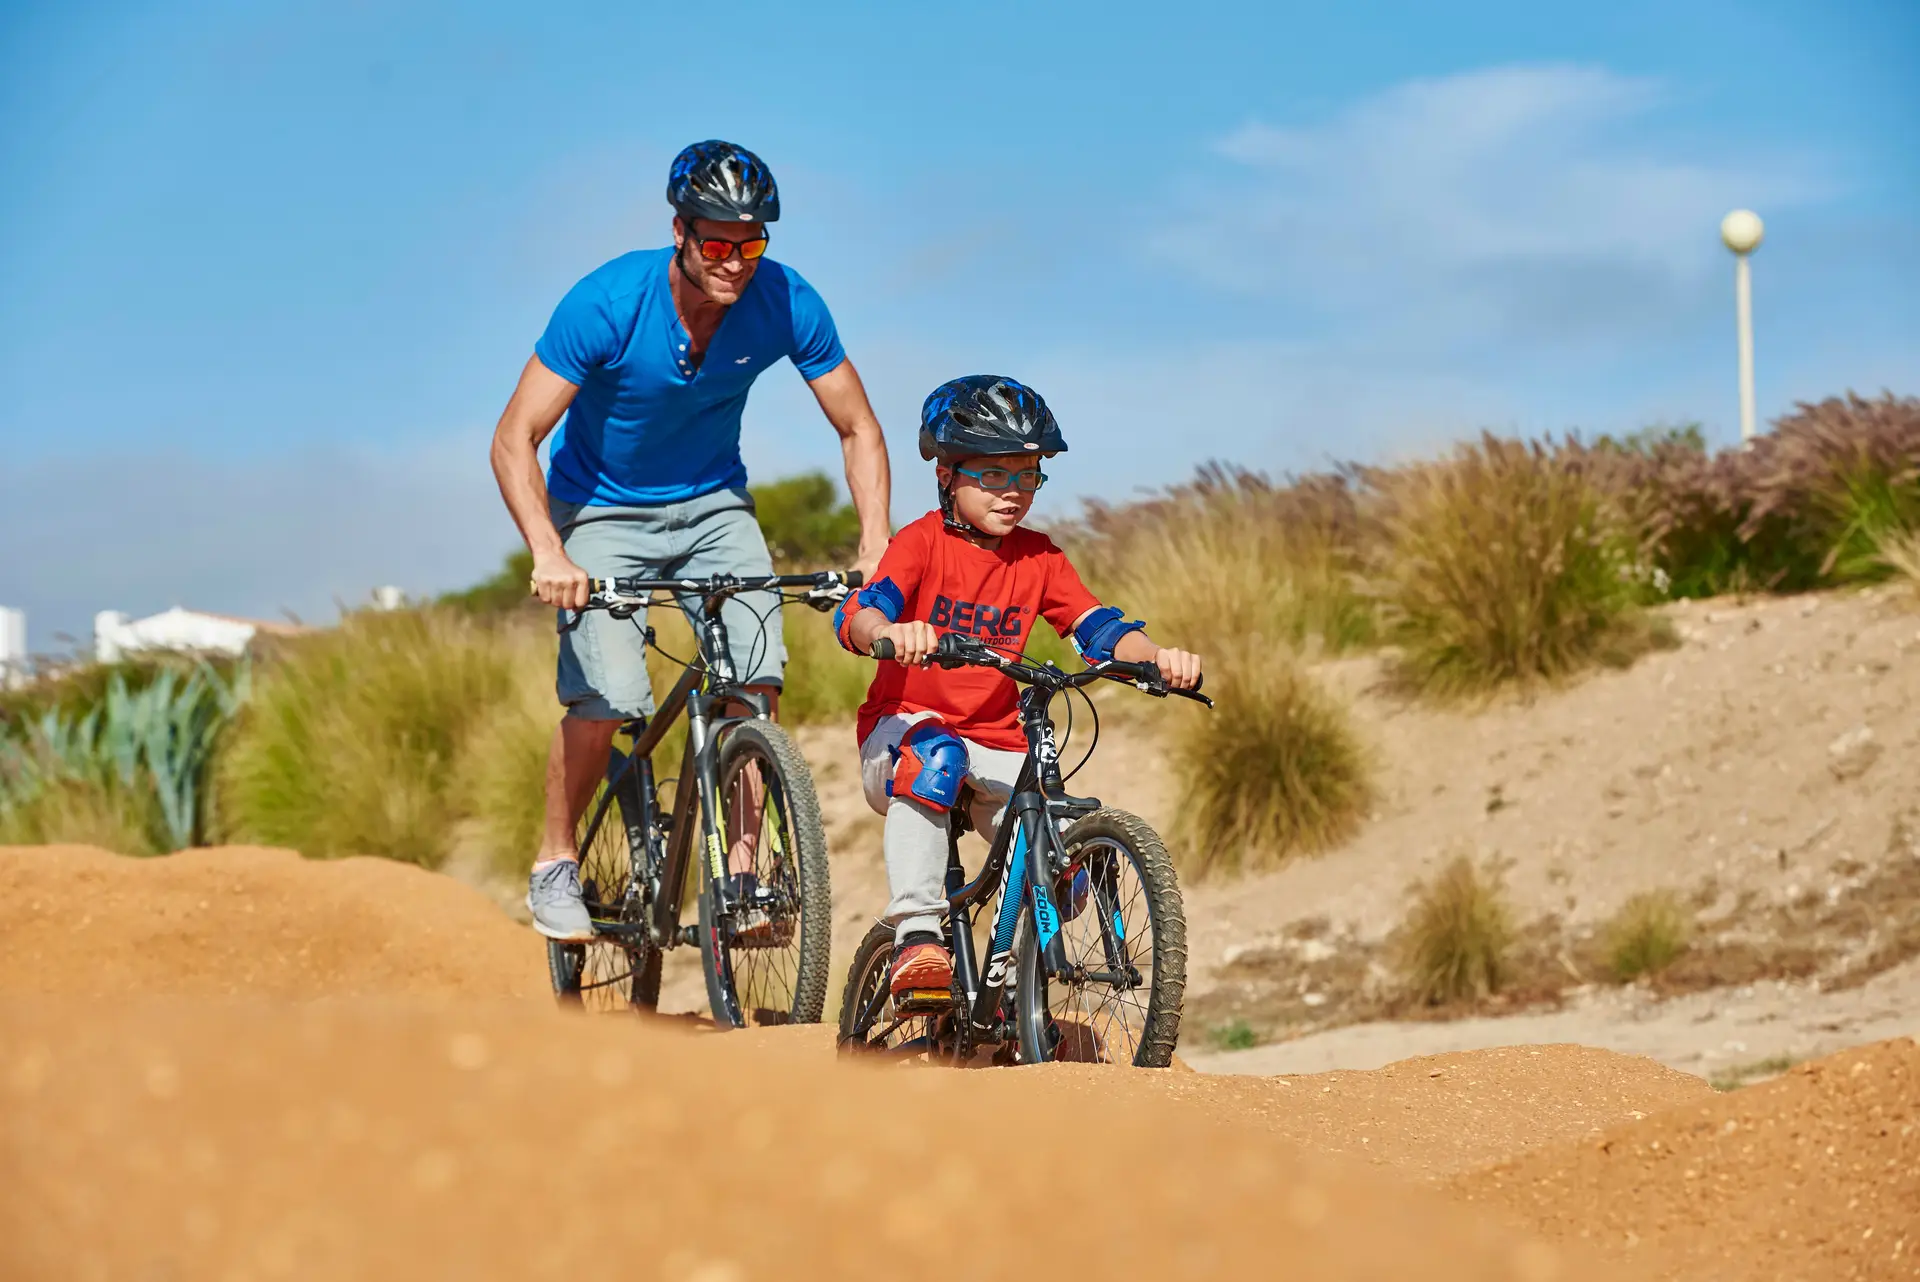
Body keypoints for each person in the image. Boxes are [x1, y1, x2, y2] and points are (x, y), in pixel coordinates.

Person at [490, 139, 892, 941]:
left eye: (752, 244)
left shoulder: (786, 300)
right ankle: (555, 862)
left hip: (714, 505)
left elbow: (859, 427)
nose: (735, 262)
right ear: (679, 229)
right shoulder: (606, 303)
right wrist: (549, 551)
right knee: (606, 696)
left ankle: (743, 879)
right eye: (717, 242)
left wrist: (875, 545)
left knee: (756, 677)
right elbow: (514, 438)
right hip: (600, 511)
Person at [832, 375, 1202, 1002]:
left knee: (1057, 842)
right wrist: (889, 632)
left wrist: (1156, 658)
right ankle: (918, 935)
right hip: (903, 733)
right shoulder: (920, 543)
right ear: (947, 472)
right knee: (936, 758)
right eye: (994, 475)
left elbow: (1099, 628)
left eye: (1027, 475)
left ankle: (1011, 987)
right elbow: (862, 611)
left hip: (998, 740)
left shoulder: (1040, 558)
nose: (1014, 492)